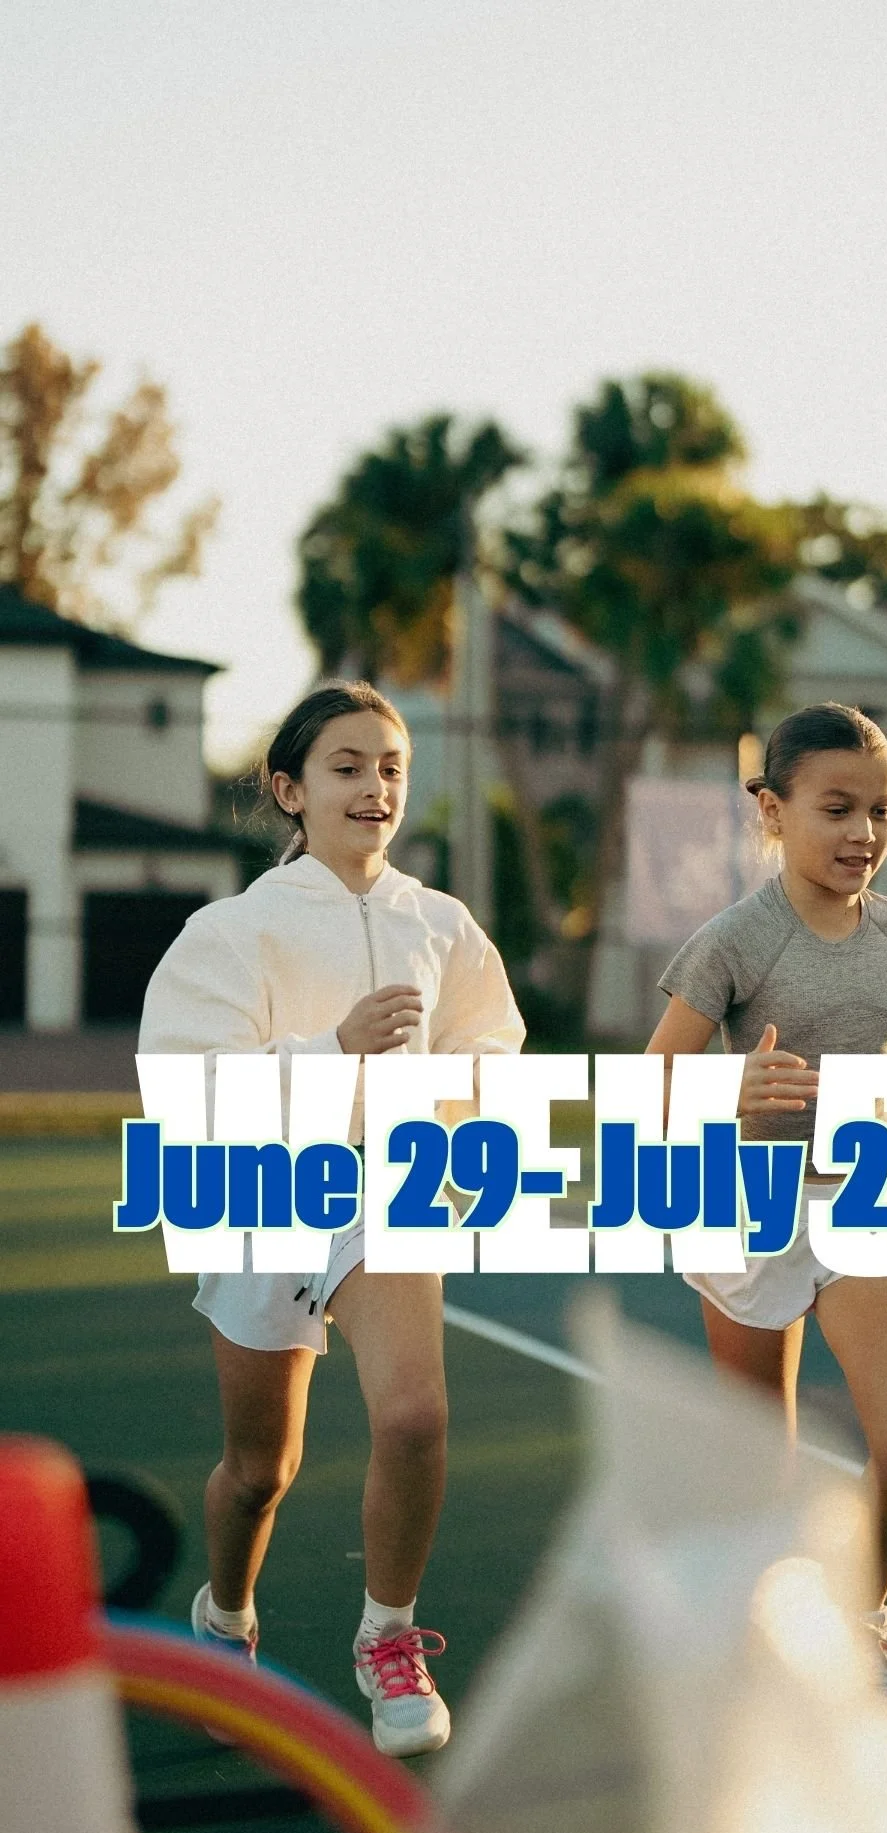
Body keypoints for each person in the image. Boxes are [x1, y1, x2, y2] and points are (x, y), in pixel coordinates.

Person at [139, 682, 525, 1756]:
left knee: (414, 1417)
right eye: (347, 767)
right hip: (260, 1190)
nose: (374, 788)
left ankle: (387, 1639)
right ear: (289, 789)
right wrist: (334, 1050)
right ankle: (226, 1618)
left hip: (386, 1190)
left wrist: (457, 1113)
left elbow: (491, 1048)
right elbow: (185, 1088)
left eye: (391, 768)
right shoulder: (231, 930)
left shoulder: (441, 924)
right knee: (260, 1469)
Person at [646, 702, 887, 1733]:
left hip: (859, 1193)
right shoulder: (732, 941)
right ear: (772, 810)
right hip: (745, 1203)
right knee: (759, 1472)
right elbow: (653, 1081)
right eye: (837, 809)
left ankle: (860, 1618)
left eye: (881, 810)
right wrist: (730, 1092)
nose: (864, 833)